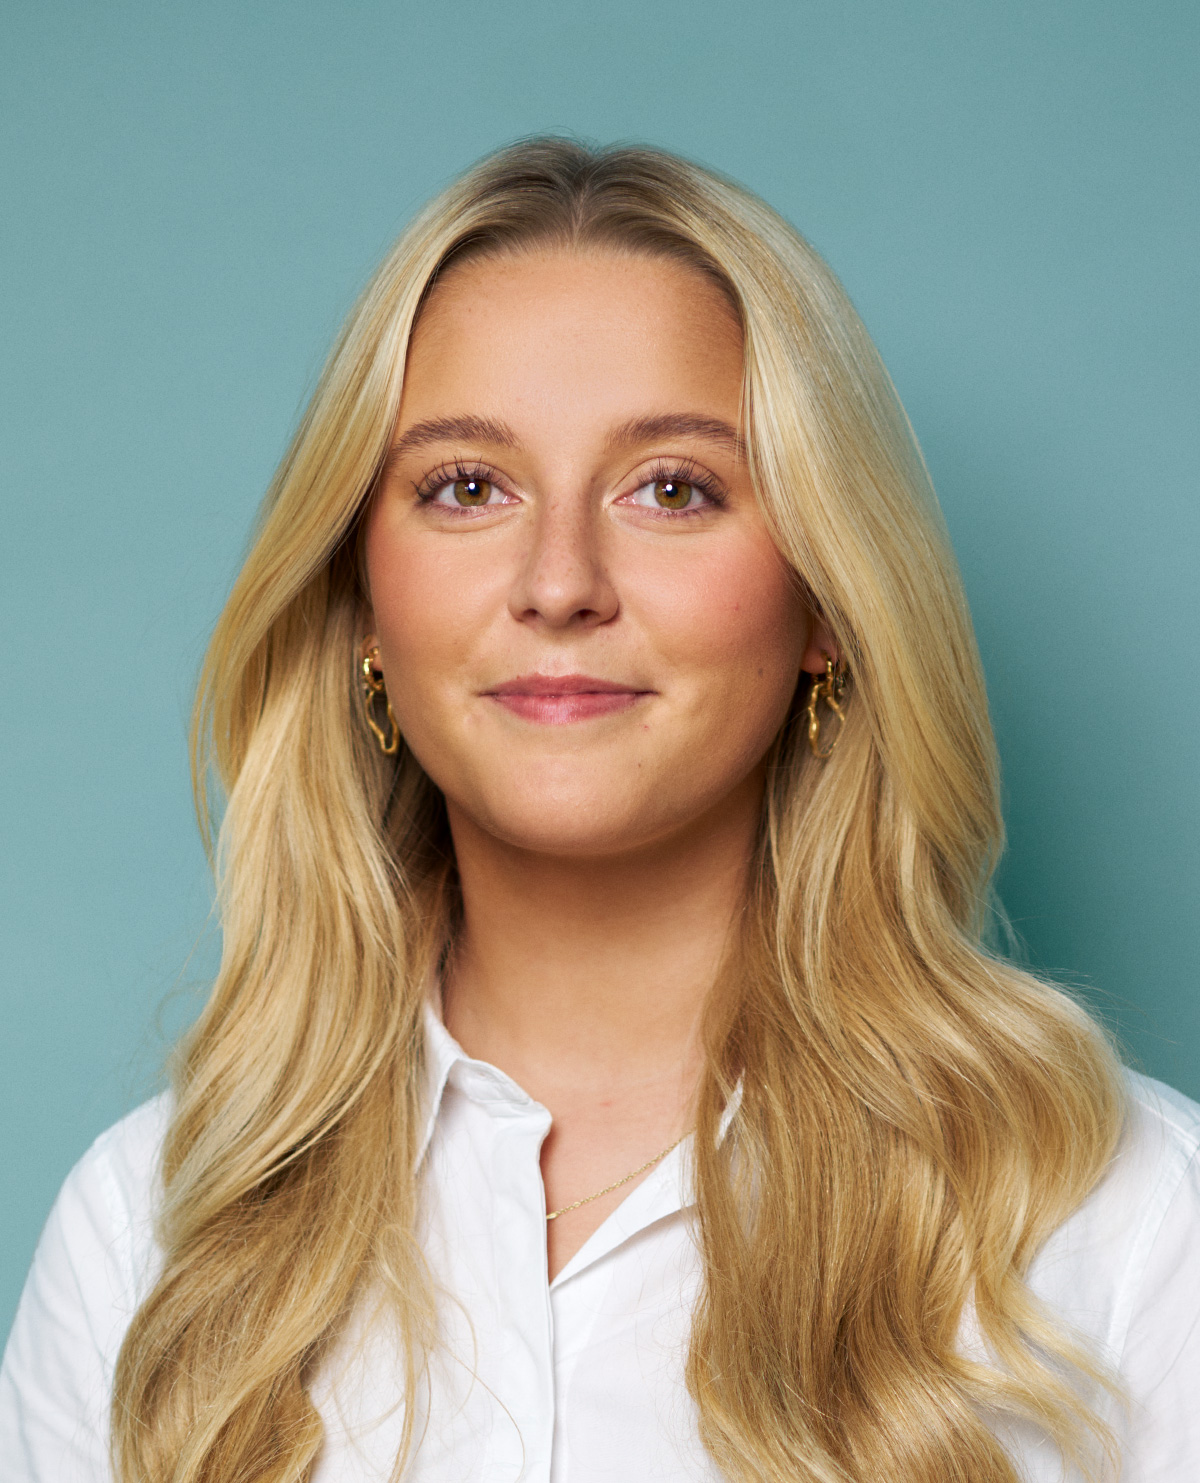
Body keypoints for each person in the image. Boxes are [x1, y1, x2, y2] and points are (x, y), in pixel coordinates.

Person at [1, 137, 1197, 1483]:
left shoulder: (1129, 1222)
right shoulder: (146, 1234)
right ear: (362, 611)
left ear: (824, 598)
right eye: (467, 487)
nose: (560, 582)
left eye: (672, 489)